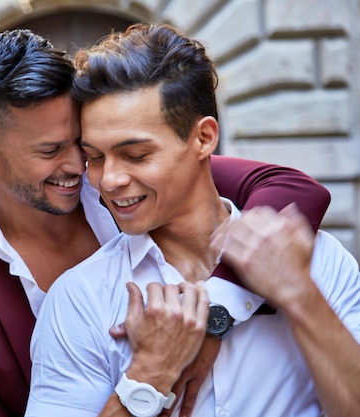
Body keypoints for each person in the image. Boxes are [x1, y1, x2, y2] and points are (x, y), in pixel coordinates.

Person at [0, 28, 331, 417]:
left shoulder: (119, 181)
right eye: (50, 150)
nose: (77, 166)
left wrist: (213, 315)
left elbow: (294, 188)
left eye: (80, 144)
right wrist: (151, 374)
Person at [25, 23, 360, 417]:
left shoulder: (320, 259)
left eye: (135, 155)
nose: (108, 180)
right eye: (94, 157)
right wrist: (149, 374)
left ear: (203, 138)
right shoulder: (78, 299)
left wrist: (302, 297)